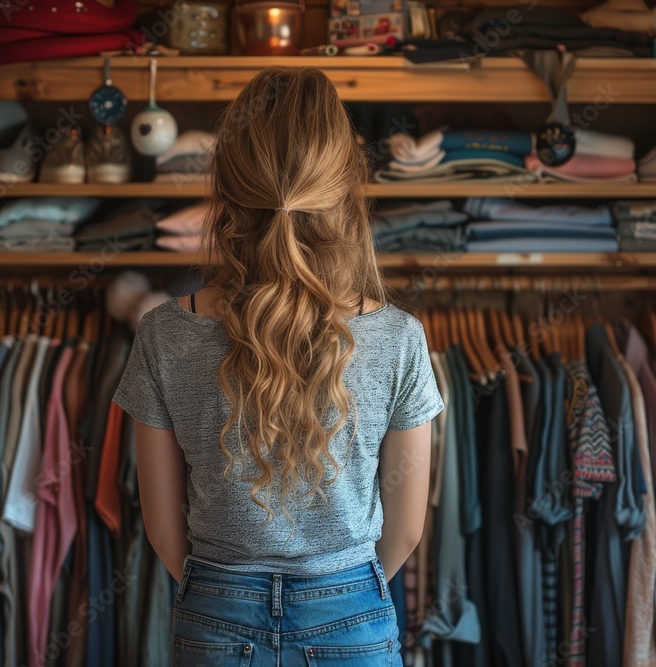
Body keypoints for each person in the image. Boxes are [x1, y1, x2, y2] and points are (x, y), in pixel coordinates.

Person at [112, 65, 444, 665]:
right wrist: (341, 596)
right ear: (344, 187)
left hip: (216, 615)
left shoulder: (165, 333)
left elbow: (163, 531)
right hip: (351, 617)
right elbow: (406, 530)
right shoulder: (399, 338)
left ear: (226, 188)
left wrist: (228, 591)